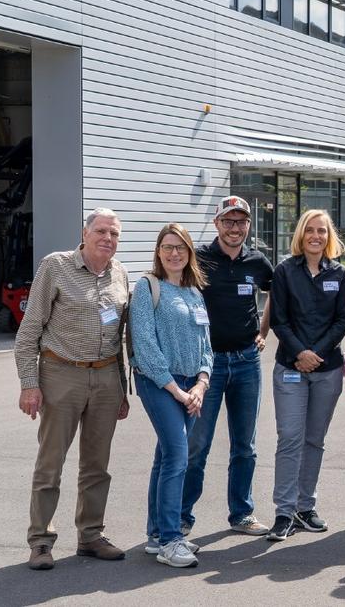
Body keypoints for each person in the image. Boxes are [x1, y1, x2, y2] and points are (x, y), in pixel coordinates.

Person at [15, 208, 130, 571]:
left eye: (114, 234)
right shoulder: (55, 266)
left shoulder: (120, 273)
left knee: (97, 465)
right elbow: (29, 331)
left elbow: (119, 338)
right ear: (84, 233)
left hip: (106, 377)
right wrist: (29, 384)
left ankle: (91, 536)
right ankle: (41, 540)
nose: (107, 238)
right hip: (60, 373)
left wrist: (122, 388)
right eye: (101, 231)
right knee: (51, 463)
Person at [181, 196, 275, 538]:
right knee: (197, 446)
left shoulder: (258, 261)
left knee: (245, 445)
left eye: (241, 222)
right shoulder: (199, 258)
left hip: (247, 361)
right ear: (217, 224)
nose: (235, 228)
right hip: (207, 365)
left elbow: (275, 292)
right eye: (228, 221)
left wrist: (263, 331)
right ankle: (182, 516)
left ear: (248, 225)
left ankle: (242, 513)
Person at [131, 224, 213, 568]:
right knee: (178, 456)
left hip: (190, 385)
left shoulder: (194, 292)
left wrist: (201, 384)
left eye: (180, 247)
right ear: (158, 251)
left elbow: (206, 345)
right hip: (159, 383)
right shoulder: (147, 287)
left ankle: (155, 534)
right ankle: (169, 539)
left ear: (189, 252)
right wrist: (176, 390)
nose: (174, 253)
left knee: (166, 456)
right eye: (167, 247)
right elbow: (144, 345)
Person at [268, 209, 345, 541]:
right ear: (301, 234)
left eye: (322, 231)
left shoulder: (340, 274)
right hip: (291, 368)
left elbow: (342, 320)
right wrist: (300, 353)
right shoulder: (285, 271)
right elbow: (279, 319)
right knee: (290, 437)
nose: (316, 236)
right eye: (310, 230)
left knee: (314, 439)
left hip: (327, 370)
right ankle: (284, 512)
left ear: (329, 236)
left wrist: (316, 354)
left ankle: (305, 507)